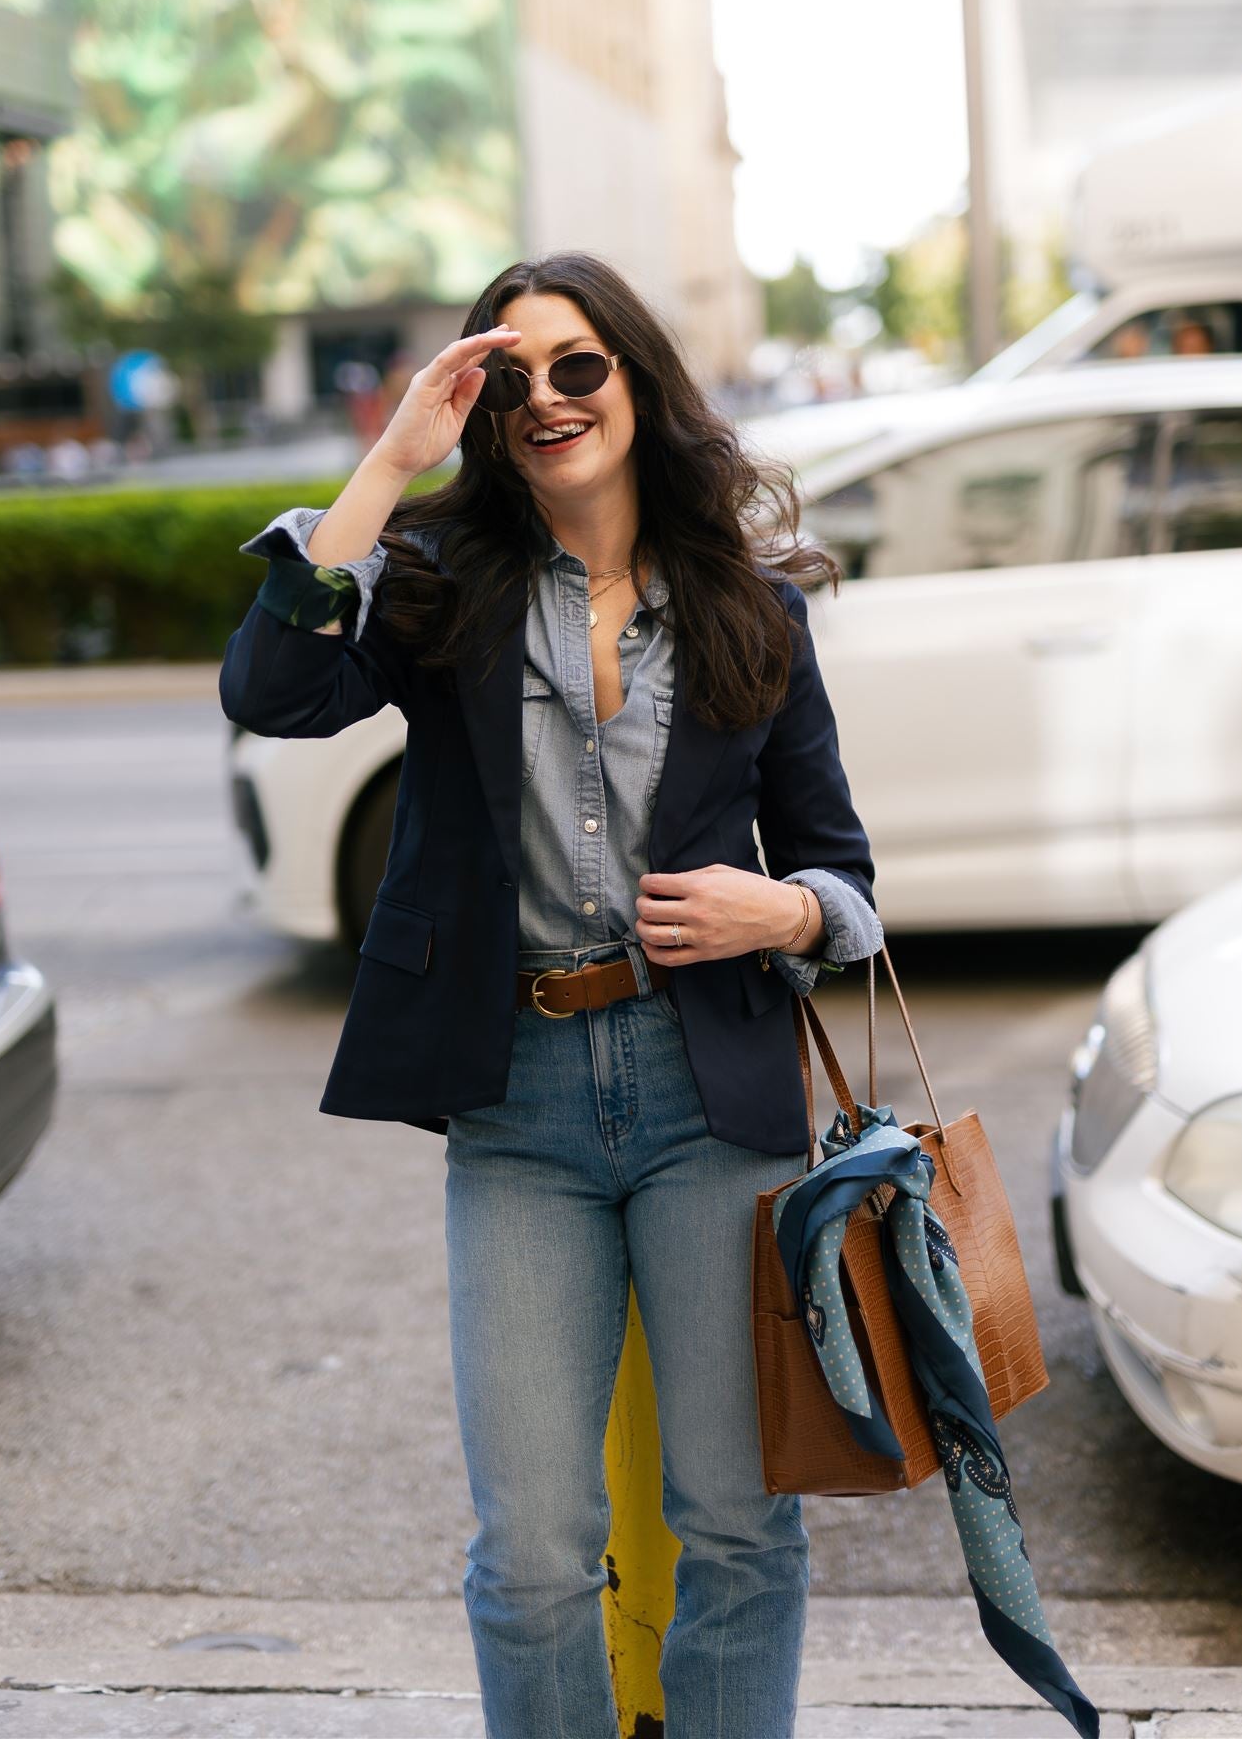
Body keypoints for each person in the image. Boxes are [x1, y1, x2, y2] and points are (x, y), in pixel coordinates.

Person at [218, 250, 883, 1739]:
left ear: (636, 383)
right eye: (505, 377)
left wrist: (773, 906)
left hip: (713, 1104)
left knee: (734, 1523)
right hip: (514, 1099)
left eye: (577, 366)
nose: (547, 400)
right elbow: (270, 691)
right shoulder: (443, 586)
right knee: (526, 1555)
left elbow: (846, 889)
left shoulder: (751, 612)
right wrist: (394, 459)